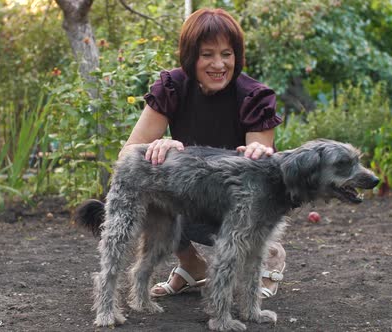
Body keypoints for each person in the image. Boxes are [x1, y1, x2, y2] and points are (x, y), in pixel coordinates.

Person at [118, 8, 287, 299]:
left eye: (227, 53)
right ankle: (192, 266)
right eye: (207, 54)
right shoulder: (171, 87)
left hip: (231, 200)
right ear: (190, 56)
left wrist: (260, 154)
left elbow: (260, 185)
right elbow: (127, 155)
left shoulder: (253, 97)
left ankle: (269, 252)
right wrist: (158, 147)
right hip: (192, 195)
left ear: (237, 56)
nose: (218, 64)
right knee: (146, 187)